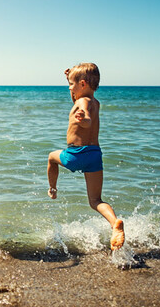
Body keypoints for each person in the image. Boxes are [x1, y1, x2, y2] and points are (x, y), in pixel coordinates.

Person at [47, 63, 125, 250]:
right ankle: (115, 223)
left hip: (77, 154)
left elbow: (86, 118)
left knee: (51, 157)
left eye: (71, 85)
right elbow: (78, 100)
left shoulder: (83, 104)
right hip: (95, 155)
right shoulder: (94, 101)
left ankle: (53, 188)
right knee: (96, 200)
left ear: (82, 84)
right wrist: (69, 78)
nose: (69, 88)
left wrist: (83, 120)